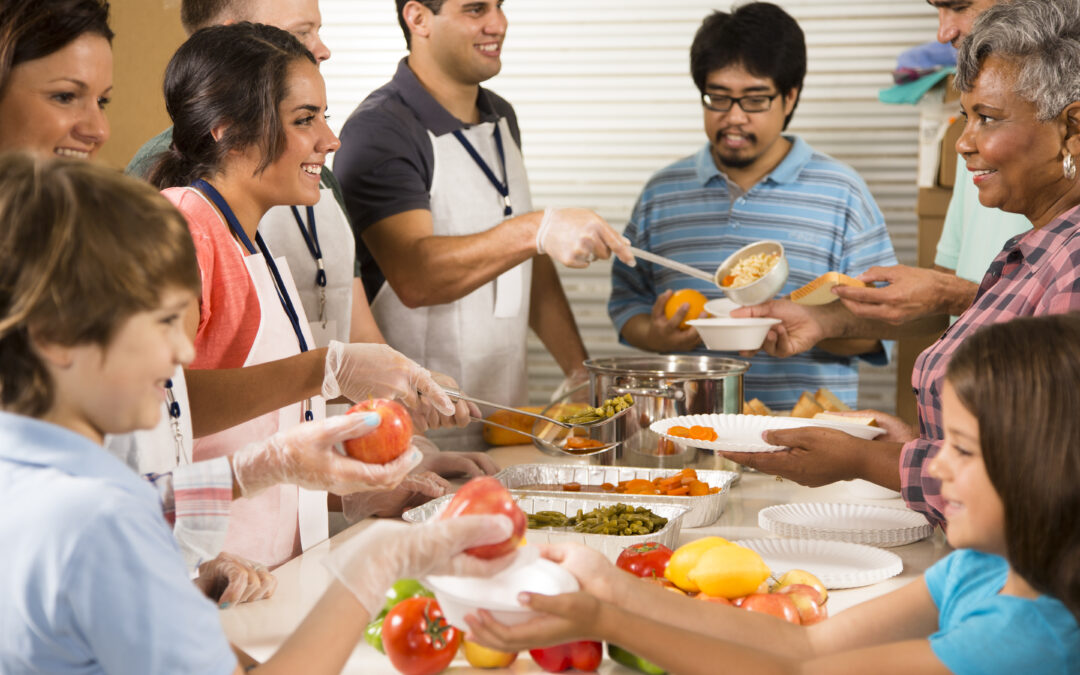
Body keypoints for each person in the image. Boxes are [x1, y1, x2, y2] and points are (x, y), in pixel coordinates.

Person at [0, 152, 517, 673]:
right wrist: (375, 565)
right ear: (55, 338)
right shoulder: (101, 526)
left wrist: (261, 467)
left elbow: (138, 504)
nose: (182, 356)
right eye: (160, 323)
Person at [0, 0, 429, 603]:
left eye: (103, 101)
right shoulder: (185, 228)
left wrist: (337, 488)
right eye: (65, 96)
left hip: (230, 581)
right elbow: (137, 460)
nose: (97, 129)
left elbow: (136, 481)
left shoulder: (248, 238)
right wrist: (324, 371)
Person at [466, 313, 1080, 673]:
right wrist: (610, 587)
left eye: (963, 450)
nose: (933, 467)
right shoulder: (978, 571)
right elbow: (803, 642)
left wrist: (605, 617)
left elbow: (796, 670)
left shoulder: (1023, 639)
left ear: (1047, 466)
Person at [729, 0, 1080, 529]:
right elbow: (1007, 437)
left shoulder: (1071, 261)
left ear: (1072, 126)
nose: (962, 144)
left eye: (986, 118)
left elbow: (1048, 478)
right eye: (966, 118)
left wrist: (865, 460)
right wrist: (915, 445)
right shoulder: (1030, 249)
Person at [333, 0, 637, 450]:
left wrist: (581, 375)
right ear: (417, 19)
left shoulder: (501, 117)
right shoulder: (380, 130)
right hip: (419, 435)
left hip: (506, 422)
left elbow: (524, 262)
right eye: (476, 9)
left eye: (499, 6)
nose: (498, 24)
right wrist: (537, 227)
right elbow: (417, 278)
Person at [607, 2, 897, 411]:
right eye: (718, 98)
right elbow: (626, 304)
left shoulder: (842, 193)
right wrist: (658, 336)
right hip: (688, 434)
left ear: (790, 96)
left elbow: (881, 322)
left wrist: (811, 325)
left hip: (807, 441)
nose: (735, 118)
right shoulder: (662, 193)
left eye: (755, 100)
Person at [826, 0, 1030, 326]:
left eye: (959, 6)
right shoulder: (978, 150)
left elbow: (1060, 315)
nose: (942, 33)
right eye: (968, 117)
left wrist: (950, 295)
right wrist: (813, 323)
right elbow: (942, 303)